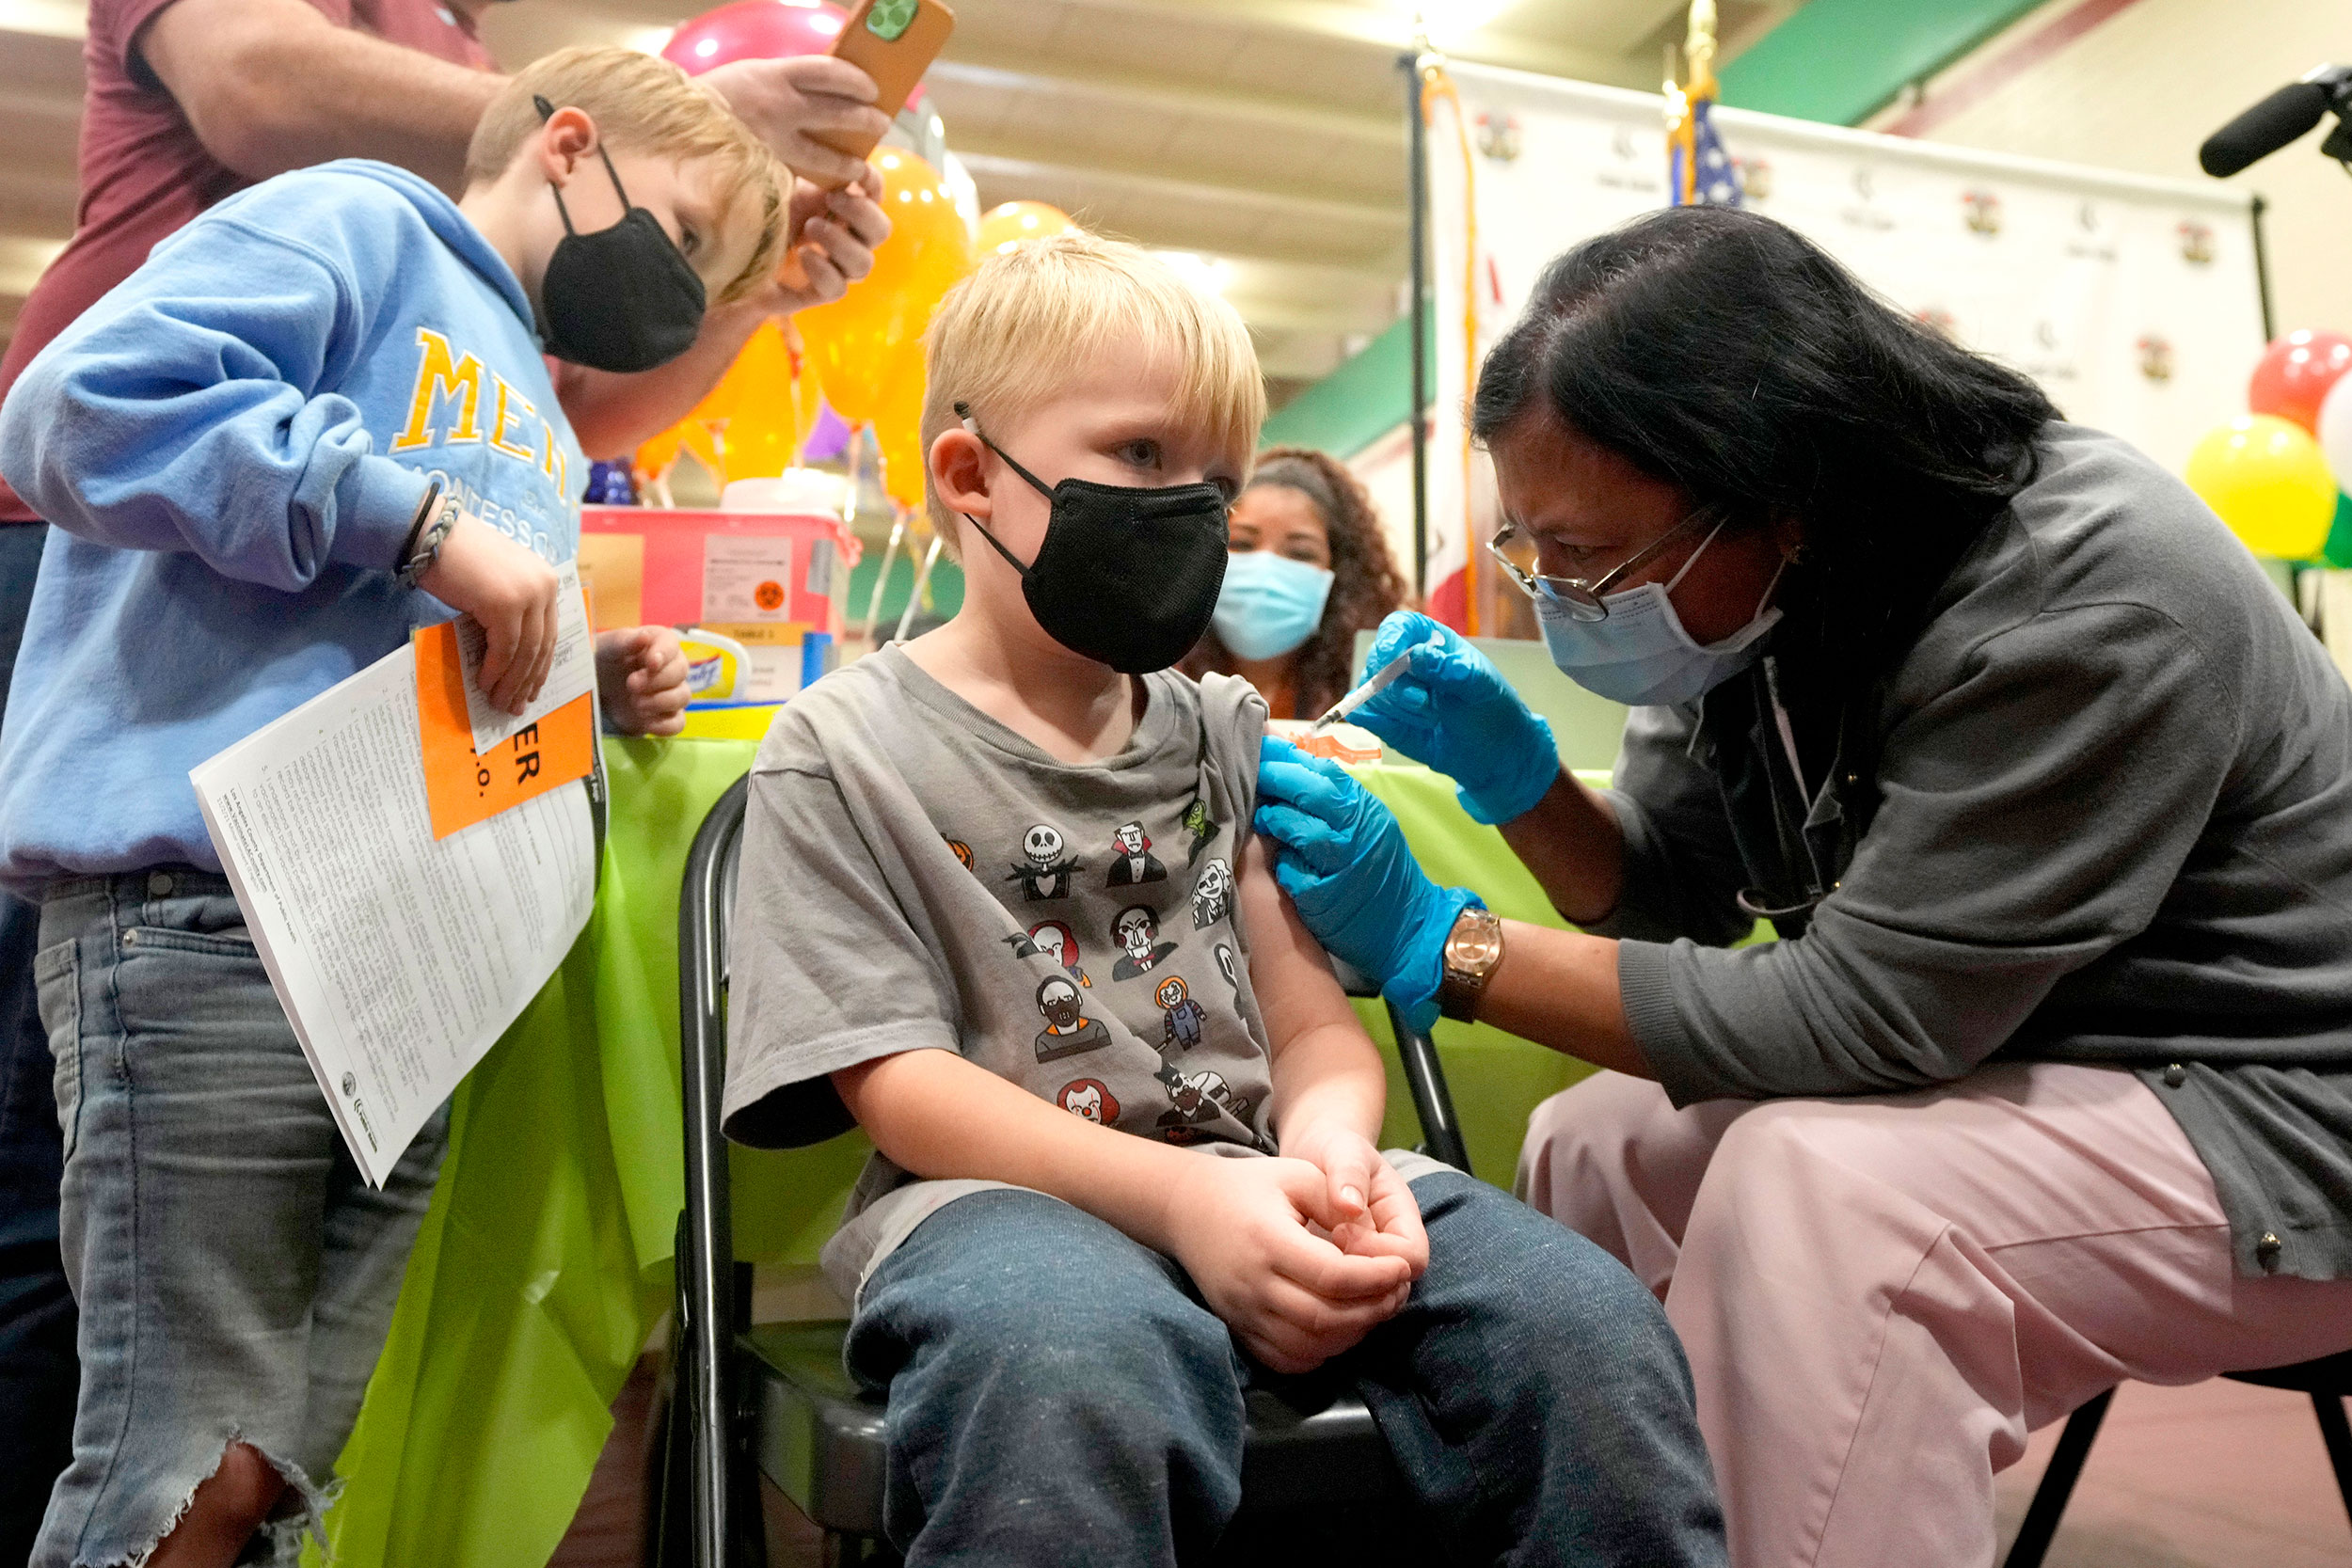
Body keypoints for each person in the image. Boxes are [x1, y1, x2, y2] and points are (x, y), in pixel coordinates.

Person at [1252, 204, 2352, 1567]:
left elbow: (1862, 1023)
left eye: (1586, 554)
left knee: (1827, 1191)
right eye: (1533, 548)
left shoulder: (2086, 594)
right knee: (1597, 1138)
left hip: (2286, 1116)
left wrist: (1445, 940)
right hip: (2049, 1065)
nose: (1560, 594)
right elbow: (1684, 908)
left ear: (1782, 491)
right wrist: (1525, 789)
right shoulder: (1755, 601)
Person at [0, 0, 891, 1551]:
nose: (674, 287)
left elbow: (421, 658)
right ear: (565, 141)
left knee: (272, 1476)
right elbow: (81, 402)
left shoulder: (536, 411)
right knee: (174, 1465)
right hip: (215, 922)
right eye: (680, 232)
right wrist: (413, 519)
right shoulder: (355, 220)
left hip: (389, 977)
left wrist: (577, 688)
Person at [720, 232, 1727, 1566]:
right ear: (971, 476)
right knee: (1067, 1363)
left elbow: (1314, 1031)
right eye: (1142, 455)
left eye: (1219, 478)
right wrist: (1188, 1203)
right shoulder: (839, 748)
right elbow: (899, 1083)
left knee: (1586, 1326)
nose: (1190, 508)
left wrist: (1330, 1152)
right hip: (993, 1201)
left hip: (1270, 1173)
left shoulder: (1226, 734)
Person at [1179, 446, 1408, 721]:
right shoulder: (1150, 681)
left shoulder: (1374, 697)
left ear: (1339, 574)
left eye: (1300, 553)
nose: (1266, 569)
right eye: (1241, 543)